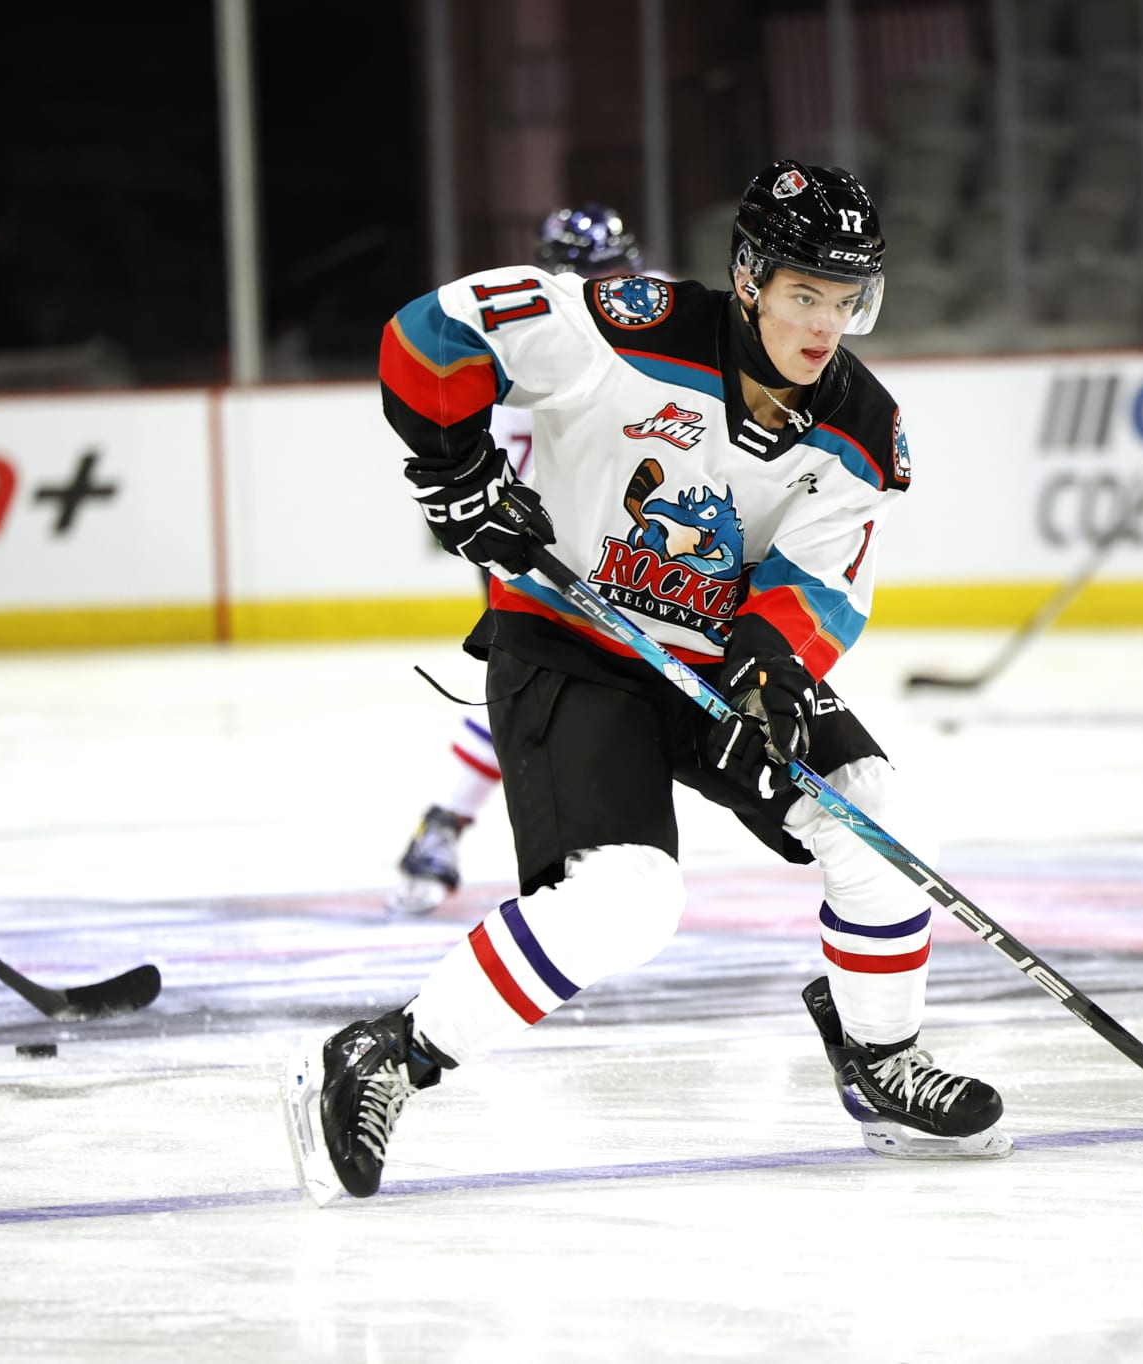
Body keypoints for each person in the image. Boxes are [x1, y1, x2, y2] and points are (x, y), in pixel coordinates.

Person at [284, 159, 1008, 1206]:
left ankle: (879, 1058)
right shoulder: (627, 328)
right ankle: (384, 1055)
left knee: (879, 811)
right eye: (806, 293)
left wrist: (772, 667)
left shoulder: (863, 429)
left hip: (711, 660)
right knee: (630, 898)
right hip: (570, 642)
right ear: (750, 278)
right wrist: (454, 469)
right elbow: (430, 334)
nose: (825, 325)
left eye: (847, 300)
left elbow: (819, 585)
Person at [387, 204, 648, 916]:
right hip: (534, 543)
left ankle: (465, 828)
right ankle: (451, 824)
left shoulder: (649, 325)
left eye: (612, 273)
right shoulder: (526, 340)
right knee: (536, 687)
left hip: (622, 542)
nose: (604, 288)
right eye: (590, 276)